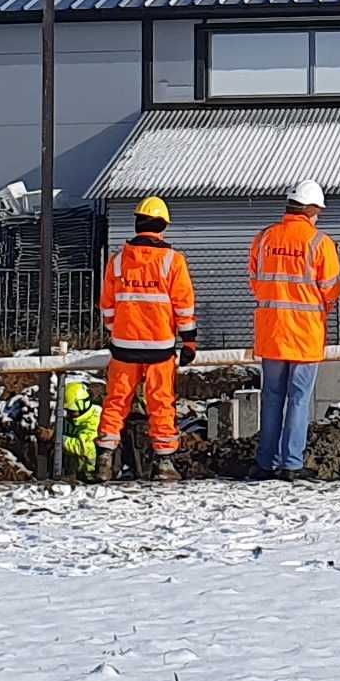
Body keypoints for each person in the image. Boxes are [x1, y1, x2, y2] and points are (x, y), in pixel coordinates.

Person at [96, 195, 198, 479]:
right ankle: (164, 463)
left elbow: (107, 306)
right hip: (160, 348)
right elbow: (184, 306)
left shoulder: (117, 261)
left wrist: (114, 332)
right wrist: (189, 341)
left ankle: (104, 460)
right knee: (161, 403)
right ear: (162, 226)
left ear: (137, 224)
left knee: (116, 401)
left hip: (123, 347)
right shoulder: (172, 261)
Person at [244, 179, 340, 479]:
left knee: (271, 397)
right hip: (305, 335)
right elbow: (331, 288)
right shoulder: (319, 243)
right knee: (299, 399)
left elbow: (254, 281)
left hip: (272, 332)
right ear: (311, 209)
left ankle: (266, 461)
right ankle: (292, 463)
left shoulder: (263, 238)